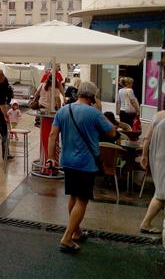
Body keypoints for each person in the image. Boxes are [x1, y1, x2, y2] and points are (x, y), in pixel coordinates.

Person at [47, 81, 116, 253]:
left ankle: (76, 232)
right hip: (86, 163)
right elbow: (112, 132)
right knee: (82, 200)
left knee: (73, 197)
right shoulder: (94, 113)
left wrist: (50, 158)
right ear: (92, 96)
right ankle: (67, 238)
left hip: (67, 161)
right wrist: (99, 110)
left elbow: (52, 135)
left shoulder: (63, 110)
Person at [139, 90, 165, 234]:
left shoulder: (157, 115)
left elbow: (147, 138)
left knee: (162, 189)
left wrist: (144, 156)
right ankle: (146, 223)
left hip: (155, 156)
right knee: (161, 193)